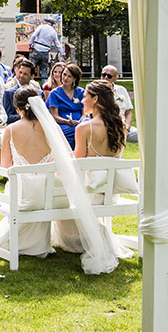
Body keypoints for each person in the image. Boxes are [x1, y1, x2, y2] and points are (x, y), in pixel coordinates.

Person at [53, 80, 138, 254]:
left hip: (90, 191)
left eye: (85, 97)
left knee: (55, 195)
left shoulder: (84, 128)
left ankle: (96, 237)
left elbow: (76, 165)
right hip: (111, 191)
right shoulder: (120, 126)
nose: (82, 100)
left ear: (95, 99)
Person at [0, 87, 56, 259]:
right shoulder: (51, 128)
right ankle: (39, 244)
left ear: (17, 109)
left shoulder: (11, 129)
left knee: (15, 185)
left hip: (23, 194)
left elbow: (5, 166)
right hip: (47, 193)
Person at [46, 63, 85, 148]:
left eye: (69, 76)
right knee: (74, 132)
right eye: (64, 74)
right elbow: (54, 116)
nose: (65, 78)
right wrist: (67, 121)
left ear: (75, 78)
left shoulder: (81, 92)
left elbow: (84, 112)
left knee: (85, 129)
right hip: (62, 123)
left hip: (80, 122)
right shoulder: (55, 93)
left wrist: (80, 122)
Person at [100, 64, 137, 144]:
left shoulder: (121, 90)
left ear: (115, 79)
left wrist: (127, 127)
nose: (105, 77)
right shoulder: (95, 91)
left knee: (143, 136)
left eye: (109, 76)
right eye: (103, 75)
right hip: (104, 127)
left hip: (122, 126)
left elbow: (128, 112)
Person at [2, 57, 41, 125]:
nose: (21, 76)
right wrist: (23, 117)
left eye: (25, 74)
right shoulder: (8, 93)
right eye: (20, 72)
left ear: (32, 76)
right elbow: (7, 117)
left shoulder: (39, 93)